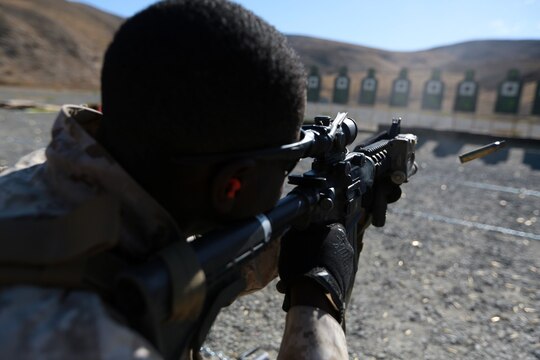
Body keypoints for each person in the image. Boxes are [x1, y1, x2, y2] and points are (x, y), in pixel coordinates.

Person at [0, 0, 387, 359]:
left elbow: (183, 250)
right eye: (285, 169)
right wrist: (318, 300)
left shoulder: (47, 177)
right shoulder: (92, 341)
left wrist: (299, 244)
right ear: (231, 185)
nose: (284, 185)